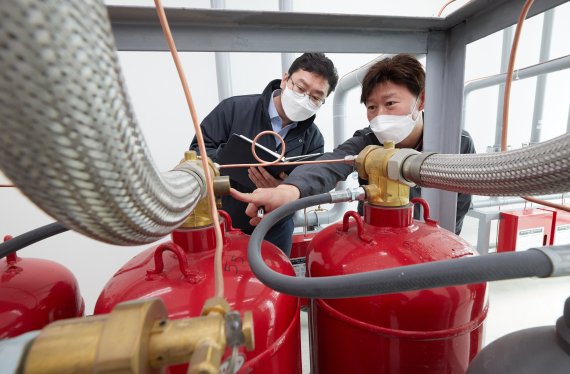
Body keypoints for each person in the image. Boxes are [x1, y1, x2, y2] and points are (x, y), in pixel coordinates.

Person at [232, 54, 475, 235]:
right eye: (371, 107)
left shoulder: (456, 143)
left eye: (390, 104)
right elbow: (329, 164)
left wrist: (441, 242)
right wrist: (288, 191)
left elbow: (458, 209)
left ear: (421, 100)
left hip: (431, 241)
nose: (379, 115)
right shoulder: (368, 141)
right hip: (373, 238)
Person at [190, 53, 338, 255]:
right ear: (285, 80)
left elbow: (310, 185)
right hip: (225, 223)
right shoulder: (233, 109)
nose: (305, 100)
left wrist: (283, 190)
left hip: (275, 227)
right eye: (301, 88)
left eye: (315, 97)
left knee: (274, 280)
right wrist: (231, 158)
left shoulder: (314, 139)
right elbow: (197, 152)